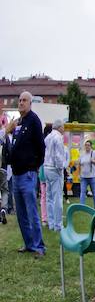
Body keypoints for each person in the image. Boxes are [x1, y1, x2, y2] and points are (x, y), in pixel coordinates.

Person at [8, 92, 46, 256]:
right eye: (20, 100)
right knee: (21, 213)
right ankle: (29, 244)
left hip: (28, 174)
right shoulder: (18, 122)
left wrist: (34, 166)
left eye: (24, 100)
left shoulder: (34, 121)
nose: (21, 103)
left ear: (30, 103)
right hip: (16, 175)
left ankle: (39, 247)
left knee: (31, 212)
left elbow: (41, 148)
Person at [44, 119, 67, 231]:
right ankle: (58, 225)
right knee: (57, 197)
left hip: (46, 167)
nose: (64, 128)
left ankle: (51, 223)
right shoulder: (58, 137)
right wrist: (60, 168)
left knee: (49, 197)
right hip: (54, 169)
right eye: (63, 126)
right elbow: (58, 157)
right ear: (59, 127)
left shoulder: (47, 137)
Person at [78, 140, 95, 208]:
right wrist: (79, 174)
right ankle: (82, 206)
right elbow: (79, 164)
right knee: (82, 192)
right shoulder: (82, 154)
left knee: (94, 192)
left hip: (92, 176)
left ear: (91, 146)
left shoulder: (94, 153)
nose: (87, 146)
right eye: (86, 145)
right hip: (83, 177)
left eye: (88, 145)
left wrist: (93, 161)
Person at [0, 119, 10, 224]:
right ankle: (3, 208)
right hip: (2, 167)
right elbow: (9, 151)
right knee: (4, 190)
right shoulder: (5, 136)